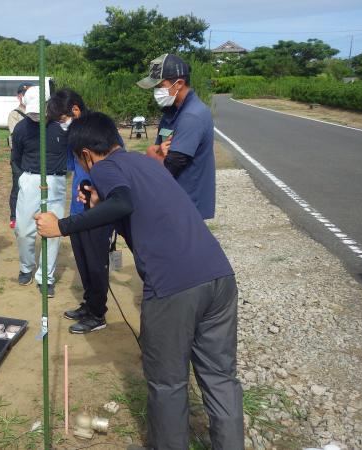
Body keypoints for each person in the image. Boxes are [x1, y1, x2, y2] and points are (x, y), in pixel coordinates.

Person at [35, 112, 243, 450]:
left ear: (86, 154)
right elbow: (137, 206)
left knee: (168, 383)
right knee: (221, 379)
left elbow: (123, 201)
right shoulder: (143, 164)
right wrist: (101, 204)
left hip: (174, 287)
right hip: (219, 275)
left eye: (80, 161)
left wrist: (62, 225)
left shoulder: (102, 167)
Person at [57, 88, 122, 334]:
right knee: (83, 261)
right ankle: (89, 304)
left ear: (74, 109)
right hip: (77, 209)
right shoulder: (73, 136)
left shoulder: (100, 131)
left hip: (98, 209)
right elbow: (68, 164)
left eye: (62, 118)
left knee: (97, 263)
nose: (61, 124)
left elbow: (116, 162)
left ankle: (98, 314)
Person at [138, 53, 217, 219]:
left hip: (187, 205)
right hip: (172, 199)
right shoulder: (171, 112)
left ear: (179, 83)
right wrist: (155, 152)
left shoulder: (191, 116)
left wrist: (152, 153)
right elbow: (158, 151)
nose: (156, 91)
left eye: (160, 85)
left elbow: (170, 167)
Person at [11, 85, 67, 298]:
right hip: (30, 178)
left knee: (53, 232)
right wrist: (25, 180)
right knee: (24, 230)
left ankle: (46, 278)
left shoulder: (61, 126)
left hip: (55, 181)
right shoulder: (21, 128)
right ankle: (26, 267)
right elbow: (16, 157)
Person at [6, 82, 33, 229]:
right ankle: (14, 216)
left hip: (34, 157)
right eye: (25, 95)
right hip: (18, 157)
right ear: (19, 97)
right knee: (18, 186)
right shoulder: (14, 114)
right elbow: (16, 136)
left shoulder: (42, 114)